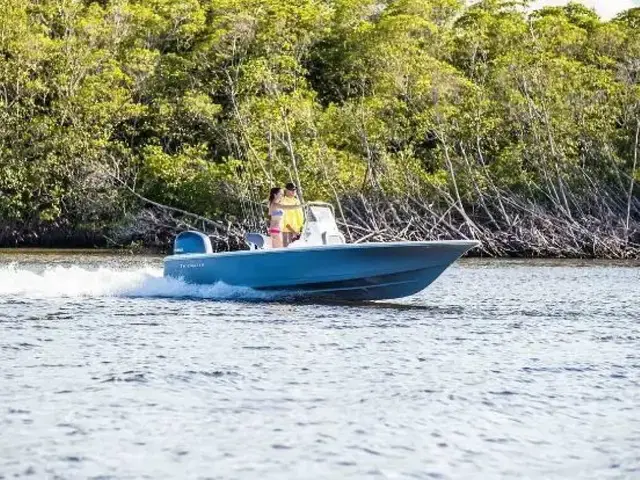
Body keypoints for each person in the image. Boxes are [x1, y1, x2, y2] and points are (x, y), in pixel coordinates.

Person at [280, 182, 304, 247]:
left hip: (298, 232)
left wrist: (300, 229)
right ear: (286, 190)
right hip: (288, 231)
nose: (294, 191)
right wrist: (293, 231)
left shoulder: (296, 201)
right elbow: (284, 220)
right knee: (287, 252)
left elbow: (300, 216)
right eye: (292, 190)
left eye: (294, 190)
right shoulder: (283, 201)